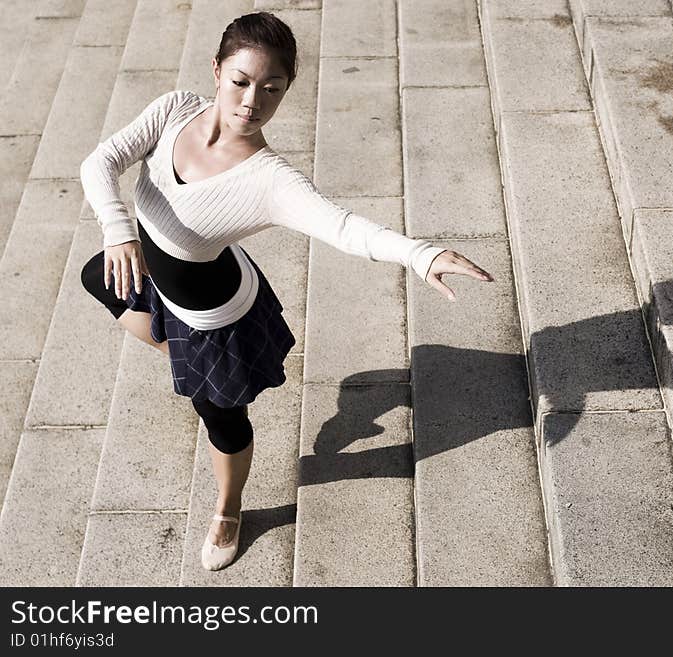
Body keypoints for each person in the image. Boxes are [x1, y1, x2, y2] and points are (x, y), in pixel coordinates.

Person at [78, 11, 494, 571]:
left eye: (272, 89)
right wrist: (117, 229)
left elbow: (344, 227)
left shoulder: (271, 180)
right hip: (157, 276)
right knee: (95, 277)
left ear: (286, 90)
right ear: (217, 70)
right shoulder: (174, 109)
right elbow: (100, 161)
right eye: (241, 82)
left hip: (215, 315)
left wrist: (421, 254)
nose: (252, 101)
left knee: (220, 417)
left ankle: (228, 509)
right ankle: (175, 351)